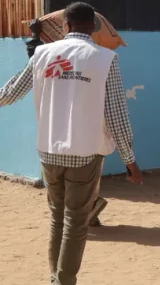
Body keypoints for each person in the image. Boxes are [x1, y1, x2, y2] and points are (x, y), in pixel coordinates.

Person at [0, 2, 143, 285]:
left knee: (57, 218)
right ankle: (63, 281)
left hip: (48, 152)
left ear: (65, 26)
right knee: (76, 222)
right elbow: (116, 114)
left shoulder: (42, 53)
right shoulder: (105, 58)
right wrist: (130, 160)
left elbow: (11, 91)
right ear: (94, 27)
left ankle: (56, 277)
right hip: (85, 153)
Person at [25, 20, 109, 227]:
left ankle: (90, 210)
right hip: (82, 131)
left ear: (66, 26)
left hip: (60, 129)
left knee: (70, 187)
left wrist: (35, 37)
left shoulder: (57, 54)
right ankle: (91, 209)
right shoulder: (92, 57)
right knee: (82, 179)